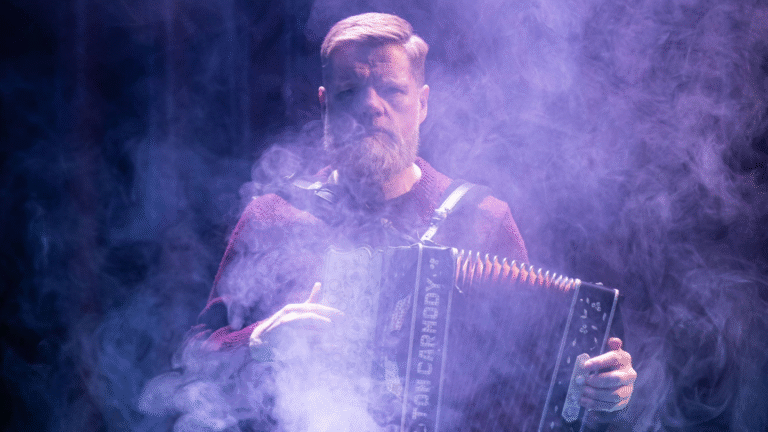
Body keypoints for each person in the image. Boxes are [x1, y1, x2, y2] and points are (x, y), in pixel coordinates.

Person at [189, 12, 636, 430]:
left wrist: (602, 392)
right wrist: (258, 343)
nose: (370, 106)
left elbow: (536, 377)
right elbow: (195, 356)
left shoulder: (481, 219)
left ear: (421, 103)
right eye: (348, 92)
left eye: (392, 90)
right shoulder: (274, 216)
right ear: (324, 105)